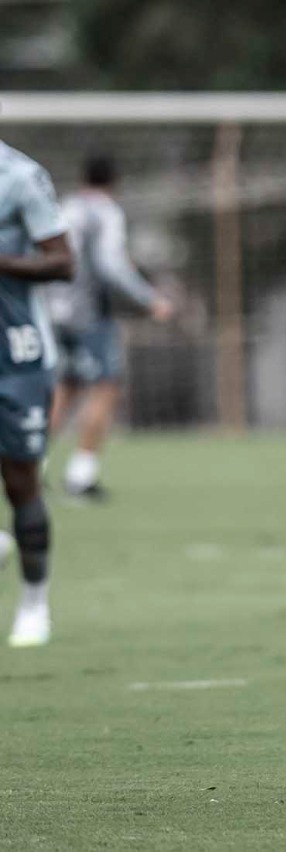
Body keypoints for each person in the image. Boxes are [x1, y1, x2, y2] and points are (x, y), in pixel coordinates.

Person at [46, 154, 173, 500]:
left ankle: (29, 470)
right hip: (88, 314)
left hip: (54, 310)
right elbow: (110, 264)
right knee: (106, 387)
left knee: (66, 388)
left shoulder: (65, 206)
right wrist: (150, 299)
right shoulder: (105, 211)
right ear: (114, 181)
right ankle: (80, 477)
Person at [0, 139, 75, 647]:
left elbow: (64, 263)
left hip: (17, 353)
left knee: (20, 481)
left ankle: (34, 604)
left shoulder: (19, 177)